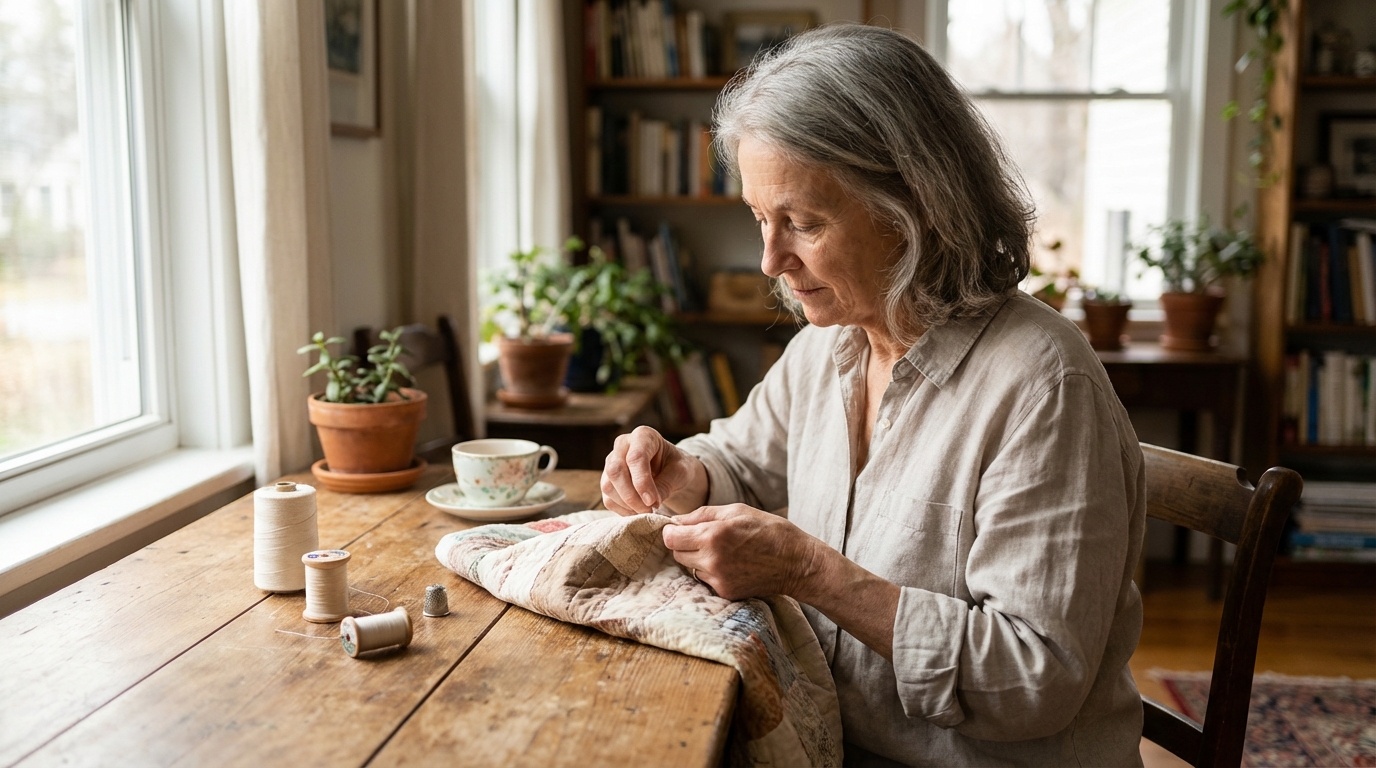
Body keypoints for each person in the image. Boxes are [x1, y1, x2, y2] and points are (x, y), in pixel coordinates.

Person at [600, 23, 1146, 768]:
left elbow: (1032, 678)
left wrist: (809, 572)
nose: (770, 259)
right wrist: (682, 472)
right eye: (761, 219)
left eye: (803, 223)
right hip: (833, 741)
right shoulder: (829, 346)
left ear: (915, 205)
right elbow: (740, 460)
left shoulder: (1044, 385)